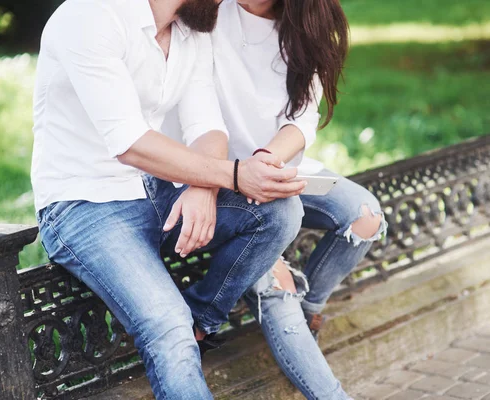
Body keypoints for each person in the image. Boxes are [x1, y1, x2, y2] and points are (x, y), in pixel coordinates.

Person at [31, 0, 309, 398]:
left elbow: (207, 126)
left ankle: (201, 316)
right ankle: (181, 326)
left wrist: (204, 186)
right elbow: (129, 142)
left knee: (279, 210)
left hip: (158, 190)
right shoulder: (89, 15)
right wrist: (231, 175)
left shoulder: (189, 30)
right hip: (84, 206)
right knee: (168, 325)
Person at [163, 0, 388, 398]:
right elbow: (195, 115)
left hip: (275, 167)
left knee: (365, 215)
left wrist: (266, 160)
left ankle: (307, 307)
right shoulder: (206, 13)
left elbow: (301, 122)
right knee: (276, 285)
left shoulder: (306, 24)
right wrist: (235, 177)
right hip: (213, 174)